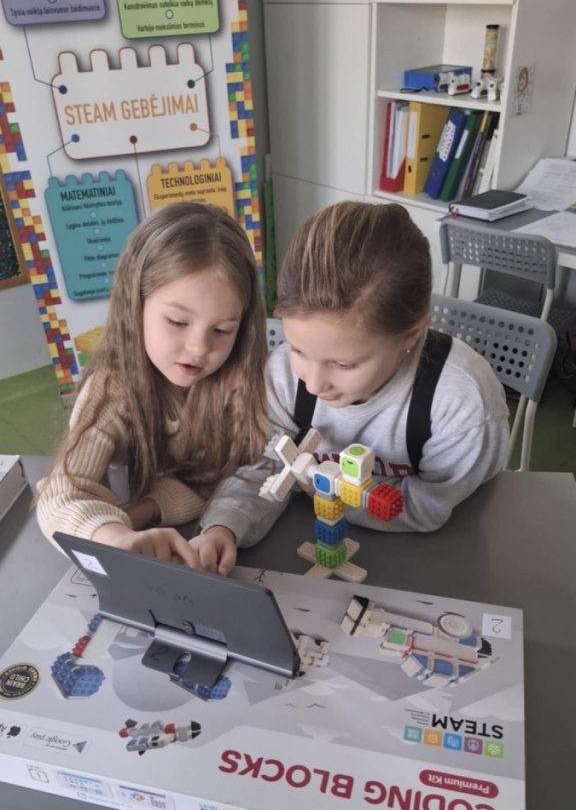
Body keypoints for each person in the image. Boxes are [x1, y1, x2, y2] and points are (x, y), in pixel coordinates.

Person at [199, 201, 510, 544]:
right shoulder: (283, 375)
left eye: (343, 365)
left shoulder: (462, 404)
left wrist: (319, 485)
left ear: (410, 335)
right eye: (298, 350)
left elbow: (427, 506)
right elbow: (266, 467)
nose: (313, 384)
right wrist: (224, 527)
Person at [36, 201, 269, 575]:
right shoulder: (112, 387)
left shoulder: (243, 379)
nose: (199, 348)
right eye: (177, 321)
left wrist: (145, 510)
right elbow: (59, 496)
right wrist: (115, 537)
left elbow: (238, 475)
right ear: (135, 306)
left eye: (222, 330)